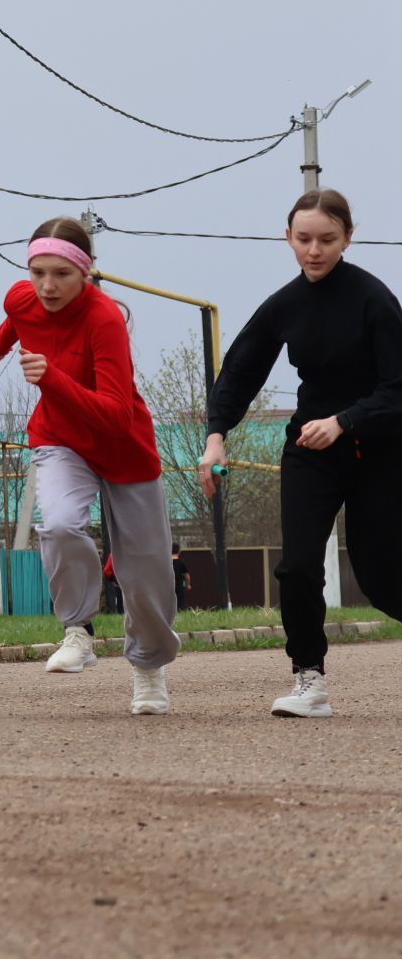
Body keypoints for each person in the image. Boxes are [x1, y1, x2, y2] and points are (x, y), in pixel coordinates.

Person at [200, 188, 402, 718]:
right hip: (310, 450)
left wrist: (344, 421)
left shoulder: (374, 301)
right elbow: (241, 371)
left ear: (348, 239)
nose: (314, 250)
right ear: (287, 237)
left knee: (381, 574)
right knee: (298, 566)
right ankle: (309, 679)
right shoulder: (285, 305)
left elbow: (398, 390)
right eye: (304, 238)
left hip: (378, 450)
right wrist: (216, 434)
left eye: (327, 240)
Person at [0, 217, 179, 714]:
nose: (47, 286)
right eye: (37, 272)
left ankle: (149, 669)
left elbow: (115, 416)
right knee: (61, 523)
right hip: (59, 439)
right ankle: (78, 629)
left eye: (61, 275)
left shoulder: (104, 320)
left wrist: (50, 379)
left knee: (145, 574)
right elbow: (18, 320)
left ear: (86, 273)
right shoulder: (22, 298)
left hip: (124, 449)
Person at [171, 542, 191, 613]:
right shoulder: (181, 562)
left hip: (168, 586)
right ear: (179, 551)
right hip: (180, 586)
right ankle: (181, 612)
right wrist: (187, 585)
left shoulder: (167, 562)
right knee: (181, 602)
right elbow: (187, 576)